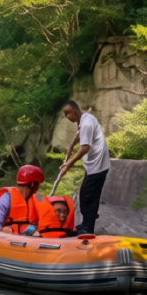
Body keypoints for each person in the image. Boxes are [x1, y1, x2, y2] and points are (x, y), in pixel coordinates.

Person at [58, 100, 110, 235]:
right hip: (96, 164)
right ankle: (86, 223)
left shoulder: (86, 123)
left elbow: (84, 148)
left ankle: (88, 227)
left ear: (74, 111)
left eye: (67, 113)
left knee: (87, 196)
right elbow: (80, 133)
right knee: (89, 195)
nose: (66, 117)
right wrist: (72, 145)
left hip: (97, 165)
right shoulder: (85, 118)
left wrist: (68, 164)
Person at [0, 165, 45, 234]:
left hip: (29, 237)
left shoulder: (38, 199)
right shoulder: (6, 198)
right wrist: (3, 230)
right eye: (38, 184)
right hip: (9, 238)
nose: (38, 188)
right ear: (32, 184)